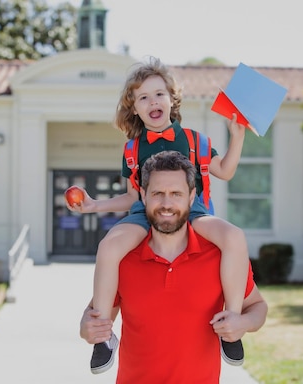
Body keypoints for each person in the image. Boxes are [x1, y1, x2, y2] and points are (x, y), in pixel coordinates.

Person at [67, 57, 252, 374]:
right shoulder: (131, 149)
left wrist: (237, 137)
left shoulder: (196, 140)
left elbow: (224, 171)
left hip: (194, 211)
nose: (152, 101)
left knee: (234, 237)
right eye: (143, 97)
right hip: (143, 212)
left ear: (172, 100)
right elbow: (130, 195)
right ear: (134, 109)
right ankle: (103, 337)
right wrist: (94, 205)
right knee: (109, 247)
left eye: (159, 94)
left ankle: (230, 323)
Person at [79, 151, 268, 383]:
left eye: (176, 194)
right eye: (158, 193)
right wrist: (87, 328)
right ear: (143, 196)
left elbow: (258, 307)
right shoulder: (123, 259)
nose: (166, 204)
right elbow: (94, 315)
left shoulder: (220, 256)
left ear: (191, 197)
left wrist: (243, 323)